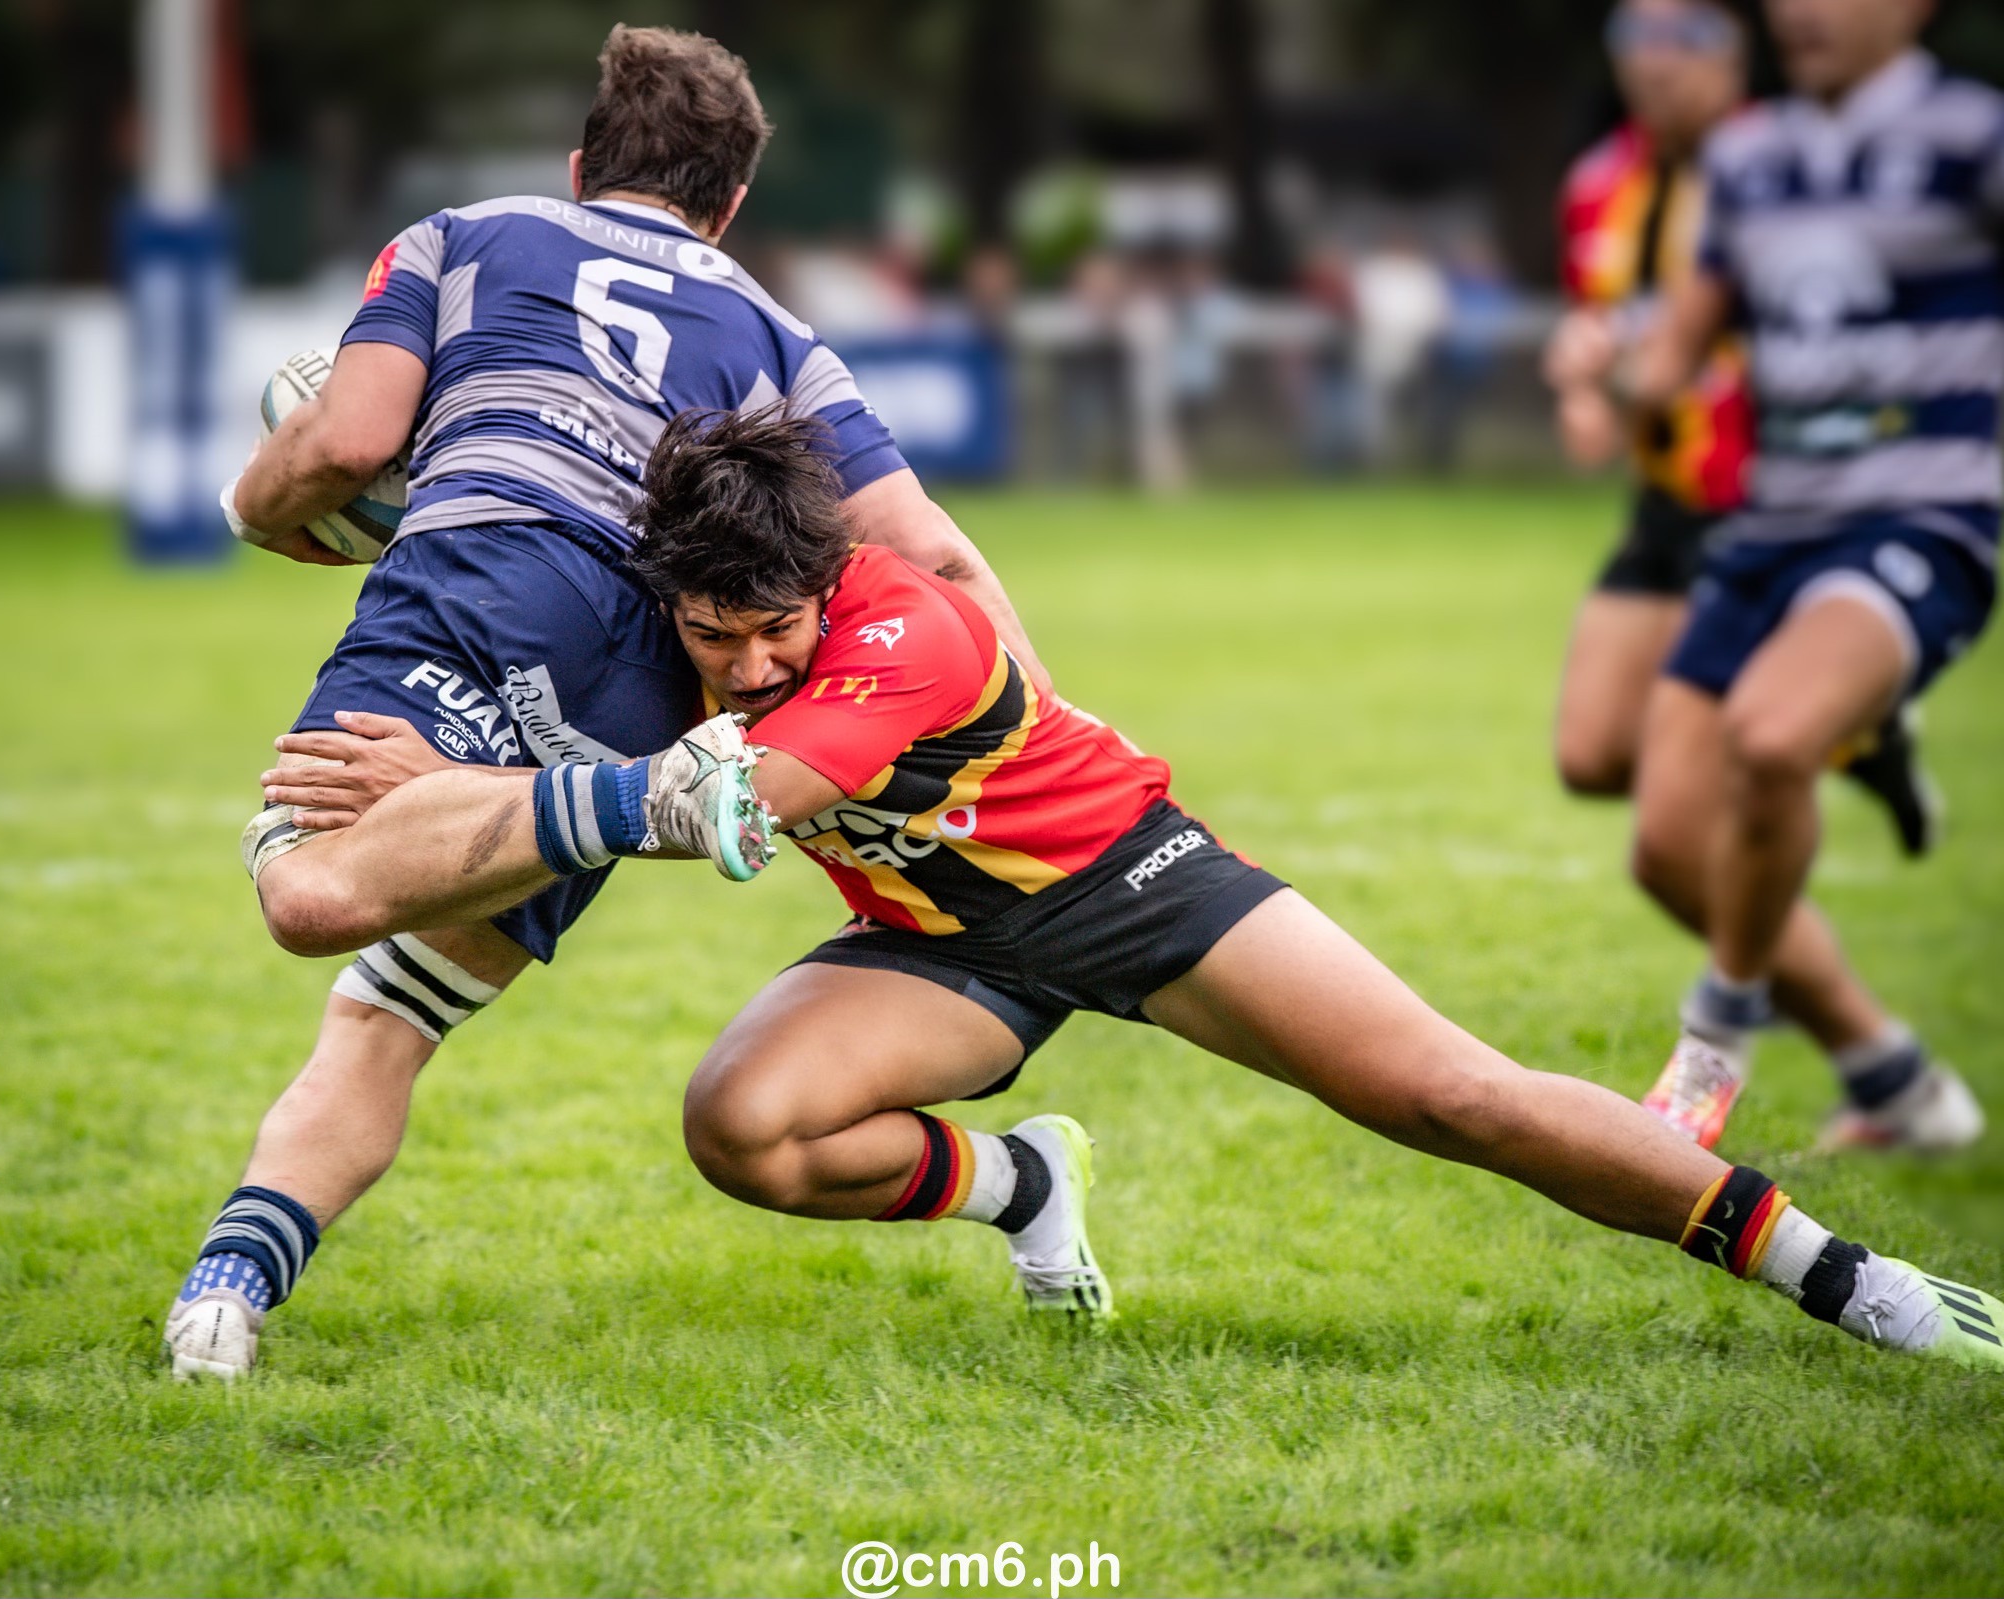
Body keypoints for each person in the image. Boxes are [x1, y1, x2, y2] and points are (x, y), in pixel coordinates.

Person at [270, 407, 2004, 1372]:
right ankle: (1022, 1177)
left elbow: (728, 806)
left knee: (1451, 1093)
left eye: (763, 631)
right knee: (741, 1124)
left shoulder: (904, 625)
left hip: (1130, 882)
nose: (731, 663)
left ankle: (1849, 1277)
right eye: (706, 634)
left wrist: (459, 796)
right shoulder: (711, 601)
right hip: (937, 936)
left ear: (825, 581)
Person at [164, 26, 1045, 1381]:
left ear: (584, 165)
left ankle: (645, 801)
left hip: (481, 570)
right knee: (394, 999)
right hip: (649, 650)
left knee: (309, 883)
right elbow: (929, 553)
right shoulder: (775, 329)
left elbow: (345, 439)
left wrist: (251, 504)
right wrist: (1050, 734)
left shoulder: (464, 234)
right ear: (730, 201)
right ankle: (228, 1288)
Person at [1607, 0, 1998, 1152]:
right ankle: (1892, 1081)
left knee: (1772, 738)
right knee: (1668, 845)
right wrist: (1613, 367)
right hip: (1768, 530)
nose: (1802, 10)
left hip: (1921, 522)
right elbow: (1677, 350)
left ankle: (1716, 1026)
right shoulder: (1747, 157)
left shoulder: (1970, 139)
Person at [1545, 0, 1935, 848]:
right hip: (1665, 498)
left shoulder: (1787, 170)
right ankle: (1858, 736)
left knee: (1698, 798)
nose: (1653, 60)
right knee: (1591, 754)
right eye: (1631, 35)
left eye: (1678, 35)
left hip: (1765, 499)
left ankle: (1820, 756)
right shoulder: (1596, 185)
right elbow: (1603, 326)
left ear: (1731, 53)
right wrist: (1582, 383)